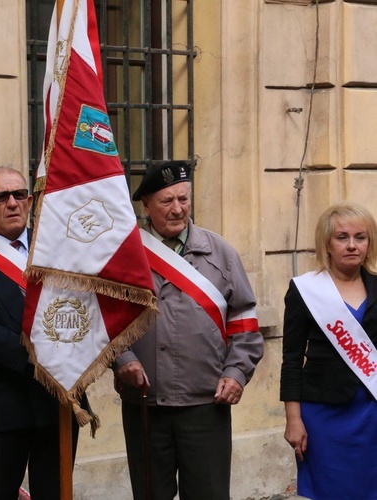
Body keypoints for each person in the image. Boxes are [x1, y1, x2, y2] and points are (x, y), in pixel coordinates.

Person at [114, 160, 264, 500]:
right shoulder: (125, 256)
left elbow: (244, 322)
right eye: (167, 201)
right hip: (144, 405)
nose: (178, 209)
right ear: (146, 204)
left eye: (184, 199)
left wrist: (237, 372)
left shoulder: (221, 253)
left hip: (206, 403)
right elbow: (105, 319)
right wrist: (122, 358)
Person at [0, 166, 80, 499]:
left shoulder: (59, 249)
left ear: (30, 200)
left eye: (20, 194)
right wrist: (40, 357)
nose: (12, 203)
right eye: (1, 196)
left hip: (57, 401)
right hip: (2, 405)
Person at [281, 203, 377, 499]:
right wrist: (293, 419)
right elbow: (291, 360)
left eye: (360, 237)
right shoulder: (305, 291)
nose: (351, 245)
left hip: (372, 413)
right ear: (327, 244)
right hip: (324, 415)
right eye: (342, 237)